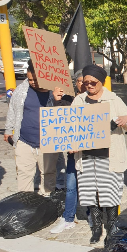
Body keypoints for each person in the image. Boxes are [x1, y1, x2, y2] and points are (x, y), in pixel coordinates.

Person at [73, 65, 127, 244]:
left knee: (110, 193)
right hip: (86, 157)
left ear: (101, 82)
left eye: (93, 82)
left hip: (109, 156)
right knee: (89, 193)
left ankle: (112, 226)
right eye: (86, 82)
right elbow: (70, 127)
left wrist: (126, 120)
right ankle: (96, 228)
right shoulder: (79, 100)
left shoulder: (114, 100)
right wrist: (70, 144)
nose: (89, 85)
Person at [4, 60, 58, 195]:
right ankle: (25, 203)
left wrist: (57, 100)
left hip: (48, 142)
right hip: (24, 140)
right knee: (24, 174)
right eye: (30, 79)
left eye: (35, 79)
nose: (32, 82)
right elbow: (13, 109)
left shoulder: (54, 91)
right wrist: (8, 129)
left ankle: (46, 199)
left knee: (48, 173)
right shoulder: (22, 90)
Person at [50, 70, 88, 233]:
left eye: (86, 81)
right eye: (80, 81)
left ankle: (93, 216)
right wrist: (55, 100)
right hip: (73, 153)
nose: (83, 84)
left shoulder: (96, 100)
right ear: (75, 83)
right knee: (71, 186)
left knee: (90, 187)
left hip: (92, 154)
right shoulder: (66, 100)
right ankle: (68, 218)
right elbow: (54, 121)